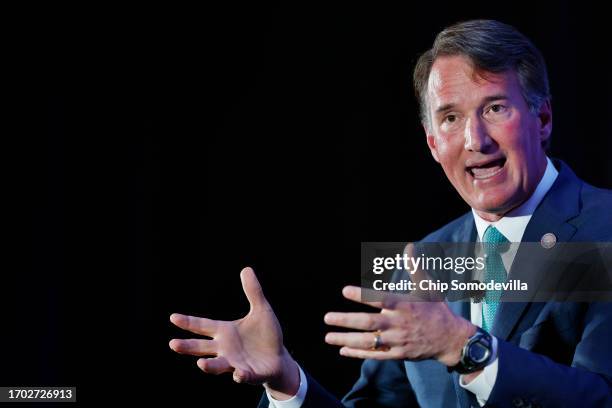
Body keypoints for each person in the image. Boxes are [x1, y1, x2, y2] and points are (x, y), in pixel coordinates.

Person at [169, 20, 612, 407]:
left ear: (544, 118)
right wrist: (287, 382)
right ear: (432, 143)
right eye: (451, 119)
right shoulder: (421, 263)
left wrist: (466, 347)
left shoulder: (603, 230)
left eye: (495, 108)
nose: (476, 139)